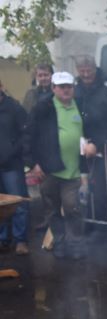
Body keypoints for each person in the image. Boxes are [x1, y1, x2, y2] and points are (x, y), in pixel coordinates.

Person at [25, 72, 88, 260]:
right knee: (52, 209)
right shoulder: (42, 107)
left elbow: (91, 130)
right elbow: (29, 137)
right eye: (61, 86)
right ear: (53, 88)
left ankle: (75, 243)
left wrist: (93, 144)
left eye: (69, 86)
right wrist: (33, 164)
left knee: (72, 208)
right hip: (48, 169)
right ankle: (60, 242)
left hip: (74, 170)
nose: (66, 89)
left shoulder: (81, 105)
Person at [74, 55, 107, 227]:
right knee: (84, 189)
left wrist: (98, 143)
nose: (86, 75)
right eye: (82, 71)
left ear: (95, 68)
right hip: (80, 145)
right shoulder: (73, 90)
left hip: (106, 146)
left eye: (89, 71)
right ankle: (90, 226)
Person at [0, 79, 30, 255]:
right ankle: (3, 238)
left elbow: (25, 134)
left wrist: (14, 151)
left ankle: (21, 240)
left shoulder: (15, 108)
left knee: (18, 202)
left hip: (12, 165)